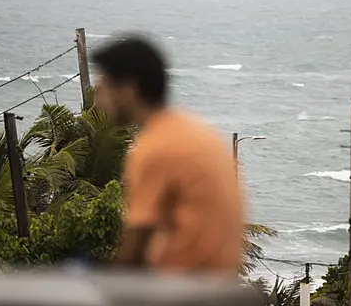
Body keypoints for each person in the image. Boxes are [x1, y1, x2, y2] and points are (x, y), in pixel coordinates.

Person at [91, 35, 245, 276]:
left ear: (129, 91)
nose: (97, 99)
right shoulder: (196, 131)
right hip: (216, 284)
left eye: (104, 87)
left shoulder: (155, 148)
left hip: (180, 290)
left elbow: (135, 250)